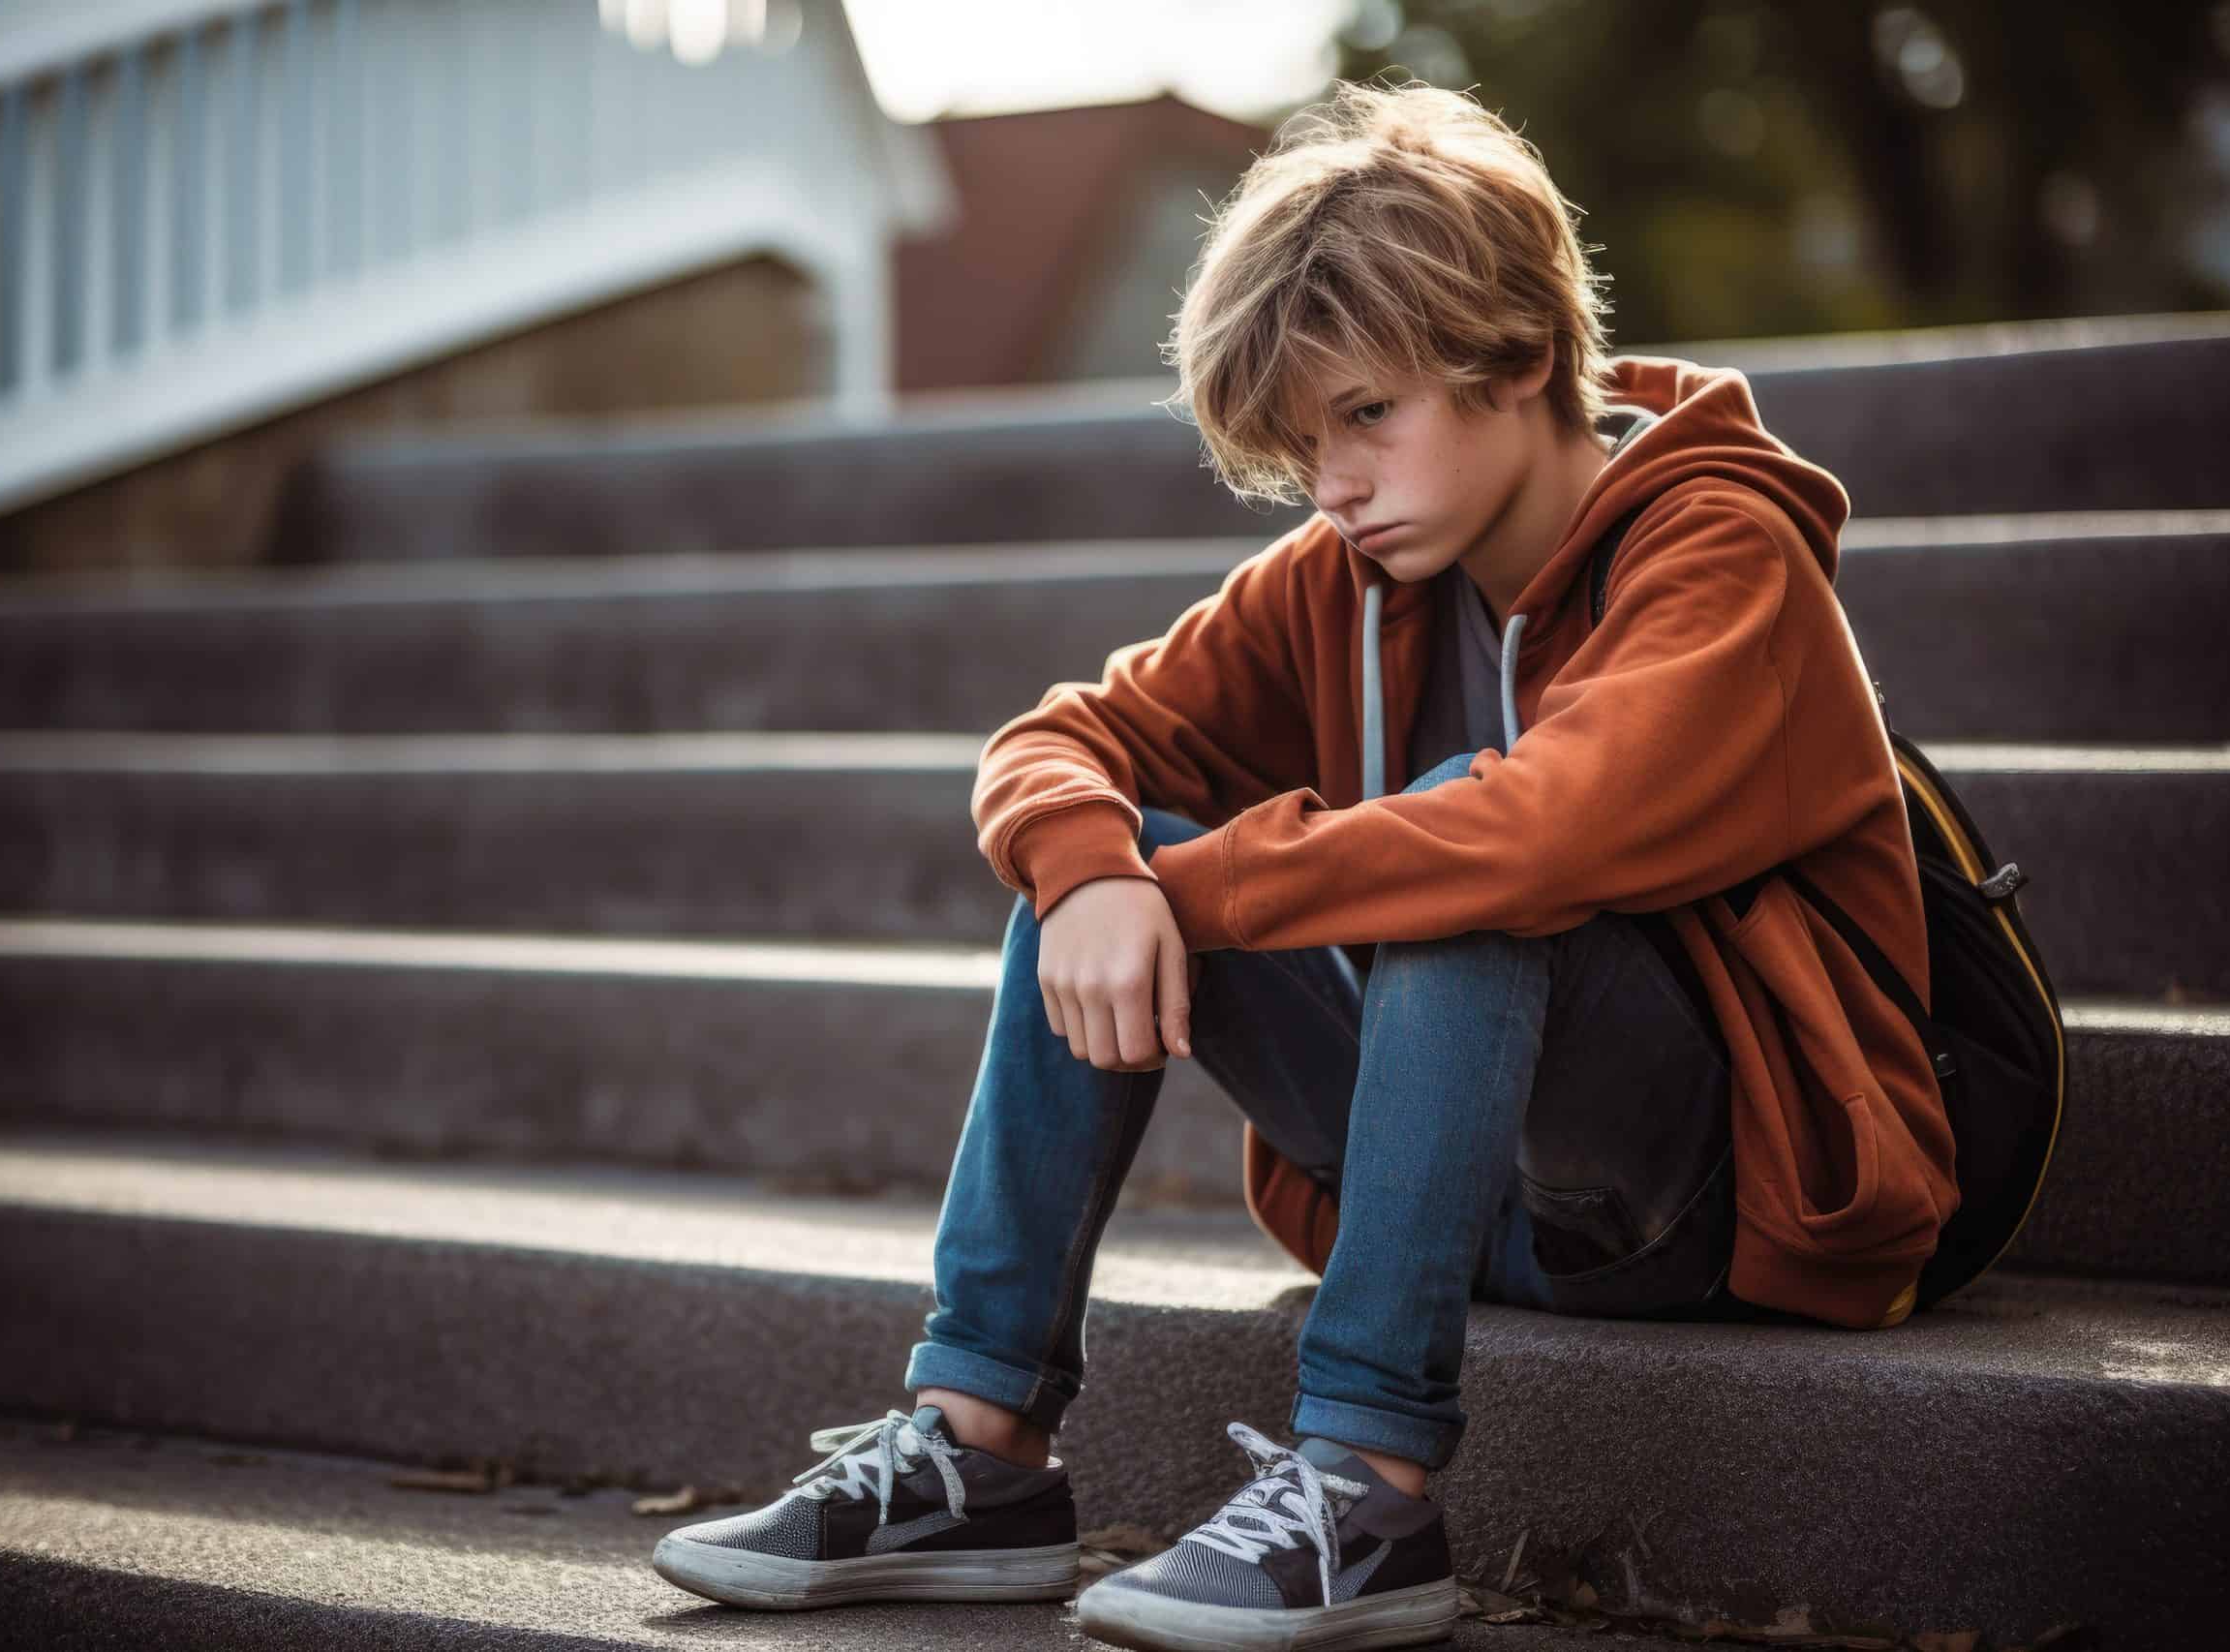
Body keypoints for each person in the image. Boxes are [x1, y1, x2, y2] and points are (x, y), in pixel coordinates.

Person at [650, 76, 1959, 1651]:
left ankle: (1369, 1485)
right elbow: (1058, 739)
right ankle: (978, 1447)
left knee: (1460, 858)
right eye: (1300, 438)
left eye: (1367, 415)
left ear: (1524, 354)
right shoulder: (1345, 576)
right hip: (1479, 1188)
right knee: (1101, 848)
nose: (1331, 481)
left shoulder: (1721, 553)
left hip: (1727, 1190)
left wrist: (1169, 890)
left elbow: (1542, 832)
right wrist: (1094, 868)